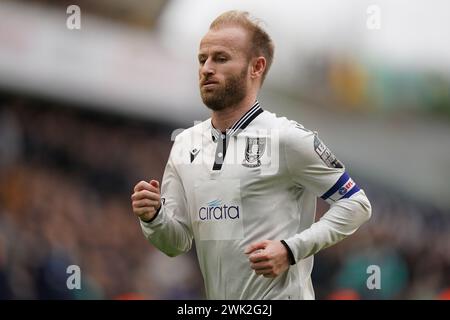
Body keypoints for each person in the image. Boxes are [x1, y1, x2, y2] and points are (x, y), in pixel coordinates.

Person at [131, 10, 372, 300]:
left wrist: (290, 249)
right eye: (202, 59)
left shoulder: (287, 138)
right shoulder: (184, 144)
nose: (207, 68)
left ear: (256, 67)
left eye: (221, 58)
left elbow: (356, 204)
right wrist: (155, 216)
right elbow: (176, 243)